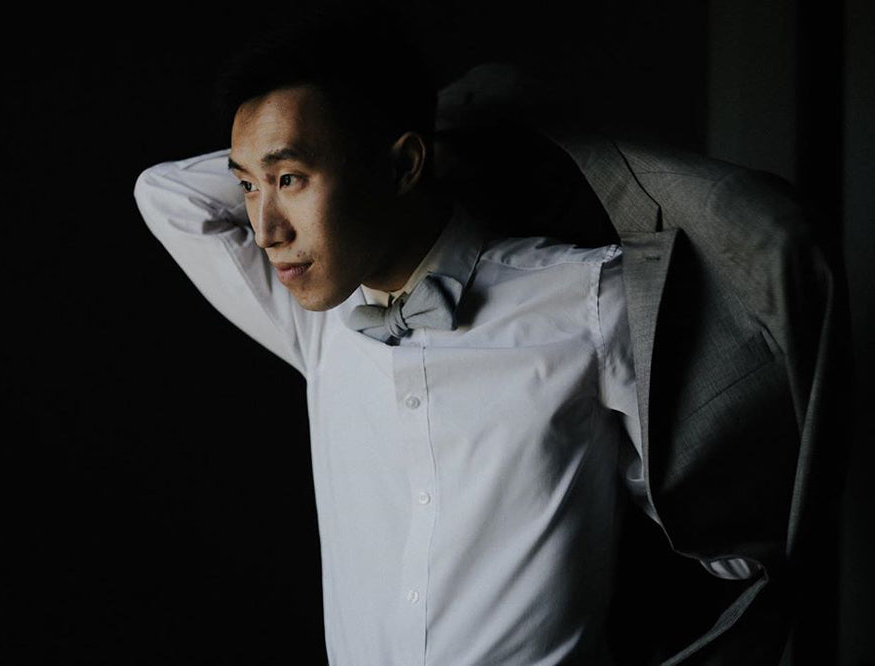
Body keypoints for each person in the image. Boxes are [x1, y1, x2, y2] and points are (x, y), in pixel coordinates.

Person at [133, 9, 837, 664]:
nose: (264, 231)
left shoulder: (591, 300)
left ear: (405, 165)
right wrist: (303, 152)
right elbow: (166, 194)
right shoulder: (315, 315)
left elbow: (728, 541)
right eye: (247, 186)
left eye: (290, 179)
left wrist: (461, 130)